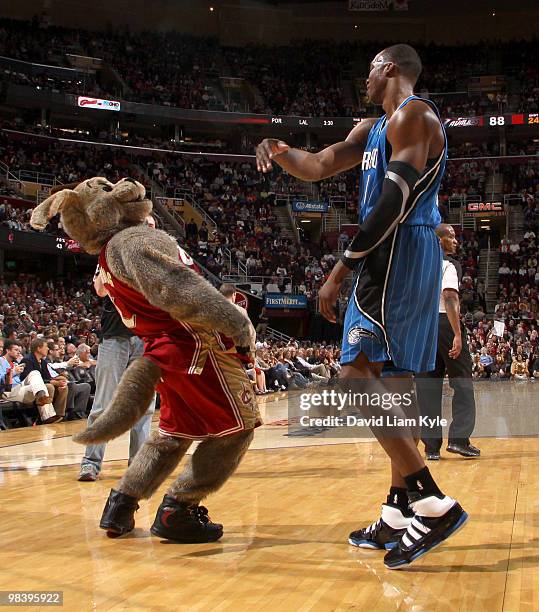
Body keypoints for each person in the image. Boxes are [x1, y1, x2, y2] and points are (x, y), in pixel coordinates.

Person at [256, 44, 467, 569]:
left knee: (353, 377)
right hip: (401, 249)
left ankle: (431, 500)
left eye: (372, 68)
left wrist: (339, 270)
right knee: (392, 388)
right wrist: (281, 150)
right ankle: (398, 510)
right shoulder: (373, 127)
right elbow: (321, 163)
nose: (365, 76)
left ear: (390, 68)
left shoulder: (415, 115)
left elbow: (393, 202)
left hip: (392, 251)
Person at [78, 262, 156, 481]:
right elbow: (100, 289)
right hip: (114, 338)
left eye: (150, 225)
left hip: (146, 339)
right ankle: (90, 463)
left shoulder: (155, 259)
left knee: (144, 406)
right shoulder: (110, 256)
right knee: (103, 404)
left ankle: (138, 466)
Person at [415, 224, 480, 460]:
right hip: (444, 323)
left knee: (427, 388)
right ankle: (459, 440)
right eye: (450, 236)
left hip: (422, 328)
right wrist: (457, 333)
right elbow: (450, 297)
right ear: (439, 241)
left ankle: (431, 447)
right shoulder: (448, 265)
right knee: (462, 382)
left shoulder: (417, 267)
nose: (456, 241)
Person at [0, 339, 61, 424]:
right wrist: (13, 372)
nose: (18, 353)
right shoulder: (1, 362)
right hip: (7, 392)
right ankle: (45, 412)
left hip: (19, 389)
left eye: (19, 351)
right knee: (42, 384)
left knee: (35, 373)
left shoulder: (15, 363)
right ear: (7, 350)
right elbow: (1, 381)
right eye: (16, 350)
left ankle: (44, 405)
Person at [20, 338, 68, 421]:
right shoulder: (27, 360)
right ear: (39, 348)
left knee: (63, 387)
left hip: (42, 385)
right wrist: (53, 382)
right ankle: (46, 417)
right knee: (49, 386)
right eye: (46, 347)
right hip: (29, 388)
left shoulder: (43, 362)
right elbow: (30, 379)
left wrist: (59, 381)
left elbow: (47, 377)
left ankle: (58, 414)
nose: (48, 349)